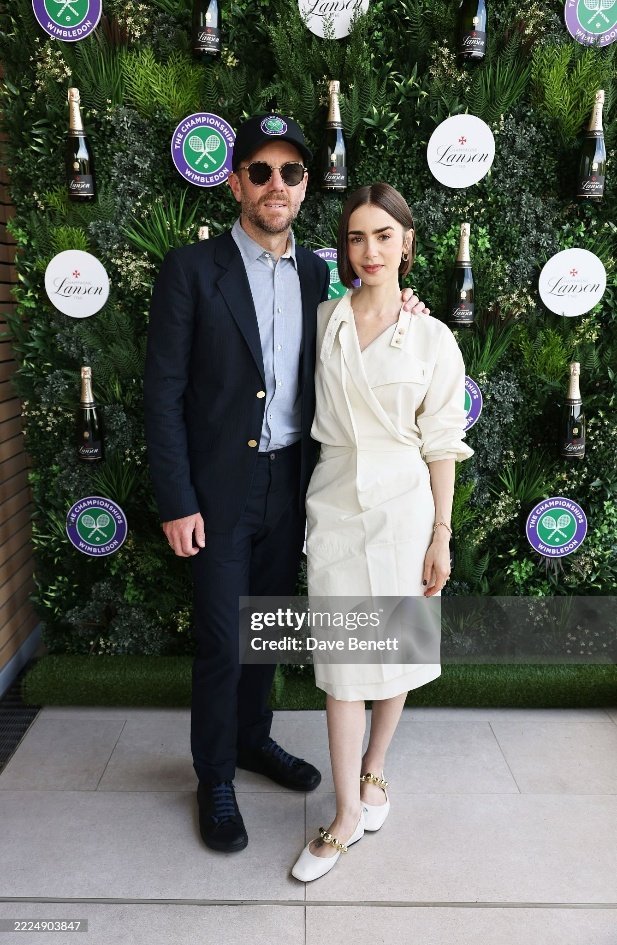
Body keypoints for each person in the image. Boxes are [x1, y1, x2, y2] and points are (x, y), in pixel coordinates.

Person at [144, 117, 430, 855]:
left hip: (296, 485)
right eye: (261, 171)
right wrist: (176, 498)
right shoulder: (190, 268)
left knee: (262, 630)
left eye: (291, 173)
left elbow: (366, 326)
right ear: (235, 180)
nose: (277, 184)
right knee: (218, 638)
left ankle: (251, 739)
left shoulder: (318, 276)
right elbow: (163, 392)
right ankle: (214, 777)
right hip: (216, 490)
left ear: (306, 188)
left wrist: (410, 313)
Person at [291, 183, 474, 882]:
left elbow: (440, 443)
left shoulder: (432, 336)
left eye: (382, 236)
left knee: (393, 650)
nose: (369, 250)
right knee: (341, 669)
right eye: (356, 237)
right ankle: (342, 816)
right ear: (346, 248)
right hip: (335, 501)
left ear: (407, 243)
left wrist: (441, 532)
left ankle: (374, 770)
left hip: (405, 507)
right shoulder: (319, 320)